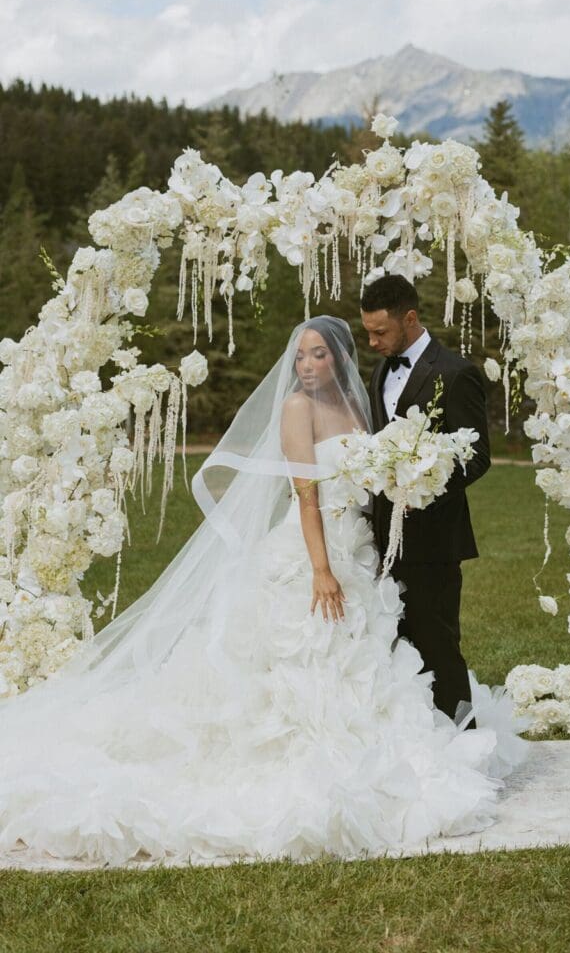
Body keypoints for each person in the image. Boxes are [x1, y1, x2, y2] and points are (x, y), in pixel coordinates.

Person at [0, 315, 524, 868]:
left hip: (363, 550)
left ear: (339, 357)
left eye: (318, 354)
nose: (306, 366)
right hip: (313, 554)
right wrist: (321, 570)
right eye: (299, 356)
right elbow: (305, 495)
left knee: (370, 657)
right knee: (306, 656)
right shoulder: (296, 408)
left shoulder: (362, 405)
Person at [361, 276, 490, 721]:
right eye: (369, 333)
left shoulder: (455, 373)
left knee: (438, 644)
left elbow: (477, 457)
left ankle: (466, 741)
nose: (373, 341)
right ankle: (420, 742)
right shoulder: (381, 370)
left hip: (434, 540)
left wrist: (425, 488)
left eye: (381, 332)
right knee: (399, 645)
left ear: (410, 318)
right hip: (381, 536)